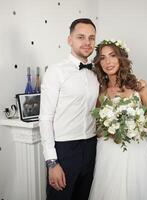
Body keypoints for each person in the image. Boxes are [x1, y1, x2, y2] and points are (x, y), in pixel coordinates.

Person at [88, 39, 147, 200]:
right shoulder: (100, 91)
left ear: (121, 58)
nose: (108, 62)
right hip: (108, 152)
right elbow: (96, 123)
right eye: (102, 57)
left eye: (112, 56)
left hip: (136, 150)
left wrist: (134, 129)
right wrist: (109, 129)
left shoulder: (139, 86)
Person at [39, 18, 99, 200]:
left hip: (91, 146)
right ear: (69, 40)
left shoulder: (97, 72)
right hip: (64, 150)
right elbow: (45, 118)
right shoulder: (55, 71)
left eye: (91, 38)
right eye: (81, 37)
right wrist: (52, 162)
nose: (87, 42)